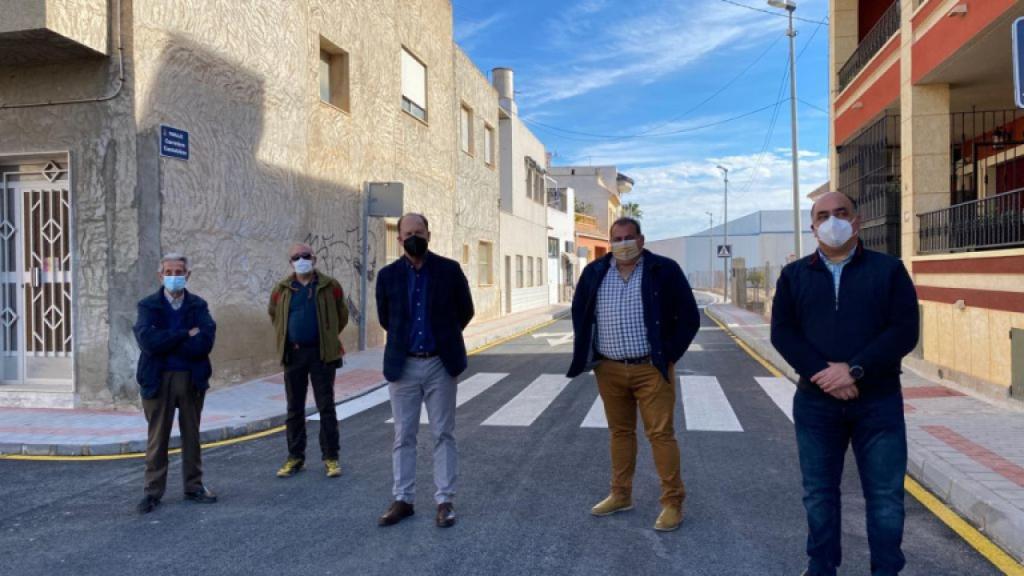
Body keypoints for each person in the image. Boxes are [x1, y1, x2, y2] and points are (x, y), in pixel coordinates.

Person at [770, 192, 919, 576]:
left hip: (878, 402)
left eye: (841, 213)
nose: (832, 221)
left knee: (885, 497)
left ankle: (886, 570)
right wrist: (824, 374)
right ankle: (821, 567)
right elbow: (783, 333)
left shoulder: (889, 270)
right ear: (813, 226)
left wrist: (854, 370)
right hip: (816, 403)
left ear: (857, 220)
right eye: (823, 215)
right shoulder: (794, 275)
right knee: (819, 495)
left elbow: (904, 330)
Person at [567, 217, 700, 532]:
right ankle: (620, 494)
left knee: (660, 434)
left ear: (641, 240)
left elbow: (689, 317)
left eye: (629, 237)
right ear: (610, 242)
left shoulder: (664, 270)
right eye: (617, 239)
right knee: (620, 433)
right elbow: (579, 312)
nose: (623, 244)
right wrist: (590, 352)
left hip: (651, 369)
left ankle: (672, 503)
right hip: (609, 368)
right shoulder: (595, 272)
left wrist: (669, 354)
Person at [375, 213, 474, 528]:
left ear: (429, 235)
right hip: (403, 365)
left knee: (443, 433)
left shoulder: (449, 270)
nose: (414, 238)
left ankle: (445, 501)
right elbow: (386, 318)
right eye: (408, 234)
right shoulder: (388, 276)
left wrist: (444, 337)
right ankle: (403, 499)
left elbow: (465, 310)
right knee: (403, 434)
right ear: (399, 239)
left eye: (419, 232)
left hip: (439, 364)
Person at [133, 253, 218, 514]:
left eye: (179, 272)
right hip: (158, 379)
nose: (173, 277)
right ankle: (152, 492)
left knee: (192, 435)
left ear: (187, 275)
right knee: (158, 437)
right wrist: (183, 334)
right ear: (160, 276)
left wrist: (167, 340)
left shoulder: (198, 306)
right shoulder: (148, 306)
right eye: (168, 272)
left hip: (191, 377)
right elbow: (148, 342)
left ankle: (194, 486)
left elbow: (204, 342)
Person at [268, 243, 349, 478]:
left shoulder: (330, 286)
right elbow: (274, 314)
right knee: (294, 408)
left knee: (326, 407)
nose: (301, 260)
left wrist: (327, 336)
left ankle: (331, 458)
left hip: (321, 354)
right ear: (290, 262)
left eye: (305, 256)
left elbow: (341, 316)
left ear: (314, 259)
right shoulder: (282, 289)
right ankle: (295, 457)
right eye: (296, 257)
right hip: (294, 355)